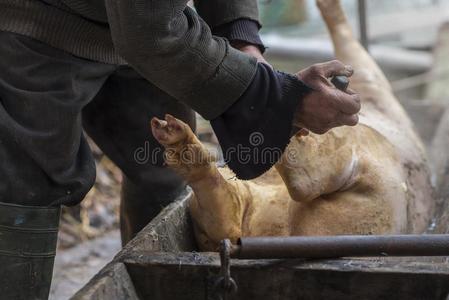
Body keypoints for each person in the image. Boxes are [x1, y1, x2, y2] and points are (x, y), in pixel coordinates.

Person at [0, 1, 361, 299]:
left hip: (138, 23)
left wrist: (241, 39)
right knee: (28, 183)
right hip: (37, 22)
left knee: (167, 167)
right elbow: (149, 33)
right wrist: (275, 96)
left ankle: (155, 286)